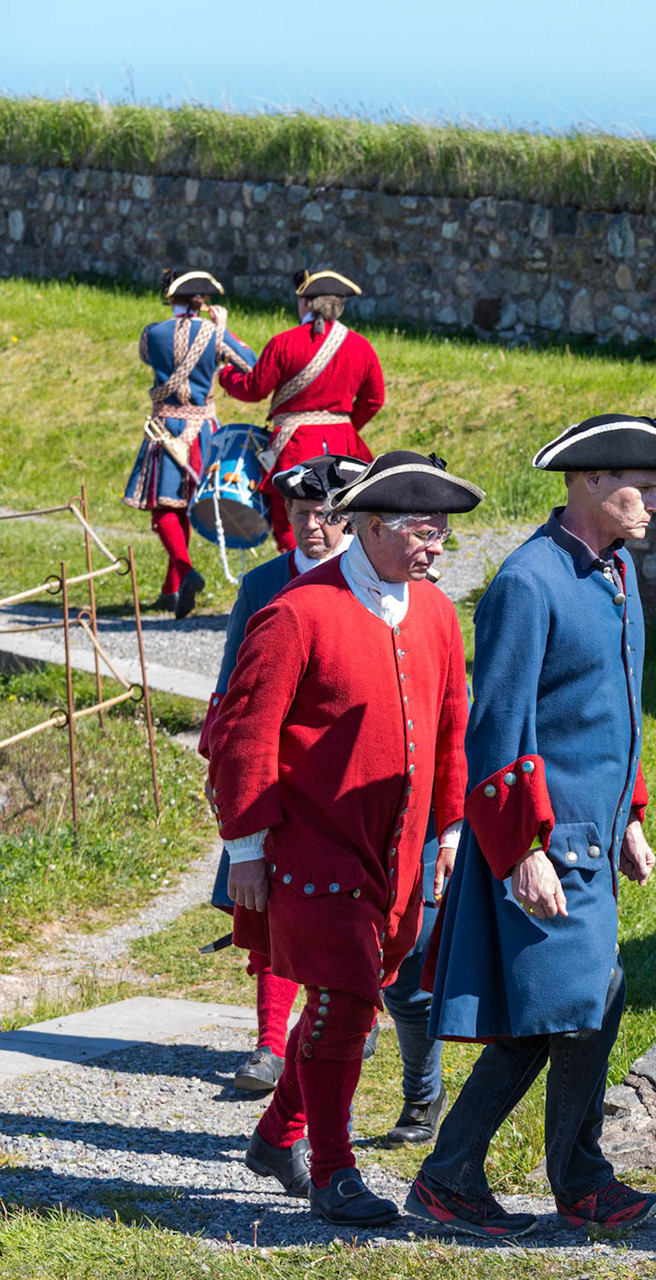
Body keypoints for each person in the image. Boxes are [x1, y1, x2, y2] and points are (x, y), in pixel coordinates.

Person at [408, 414, 656, 1238]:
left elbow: (620, 707)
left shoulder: (615, 570)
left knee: (581, 1006)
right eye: (640, 487)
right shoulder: (527, 582)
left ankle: (512, 1176)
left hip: (591, 840)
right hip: (541, 845)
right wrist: (520, 851)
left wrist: (632, 816)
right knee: (569, 1008)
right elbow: (498, 731)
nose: (655, 501)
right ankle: (504, 1178)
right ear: (586, 483)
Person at [208, 450, 482, 1226]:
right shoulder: (297, 611)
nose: (435, 548)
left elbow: (452, 725)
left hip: (400, 852)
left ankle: (274, 1136)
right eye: (423, 532)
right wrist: (248, 852)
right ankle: (332, 1171)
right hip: (311, 846)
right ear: (368, 526)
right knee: (348, 1000)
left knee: (345, 1002)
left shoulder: (434, 611)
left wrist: (453, 826)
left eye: (441, 534)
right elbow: (244, 737)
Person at [199, 454, 368, 1094]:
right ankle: (270, 1047)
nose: (315, 527)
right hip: (273, 775)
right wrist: (227, 771)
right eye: (302, 515)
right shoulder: (263, 584)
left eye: (328, 515)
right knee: (269, 908)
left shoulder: (370, 584)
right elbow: (229, 694)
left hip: (346, 779)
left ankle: (349, 1013)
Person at [218, 269, 384, 551]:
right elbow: (374, 399)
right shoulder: (361, 345)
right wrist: (342, 425)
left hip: (296, 446)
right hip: (343, 444)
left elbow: (253, 390)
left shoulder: (284, 343)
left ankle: (301, 584)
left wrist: (226, 374)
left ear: (305, 303)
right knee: (348, 522)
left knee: (290, 521)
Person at [123, 268, 256, 618]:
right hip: (203, 430)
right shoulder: (215, 334)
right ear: (204, 301)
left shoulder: (151, 334)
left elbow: (147, 358)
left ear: (171, 297)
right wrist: (222, 332)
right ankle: (175, 584)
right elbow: (250, 363)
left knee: (166, 509)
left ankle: (181, 577)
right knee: (183, 506)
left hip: (165, 426)